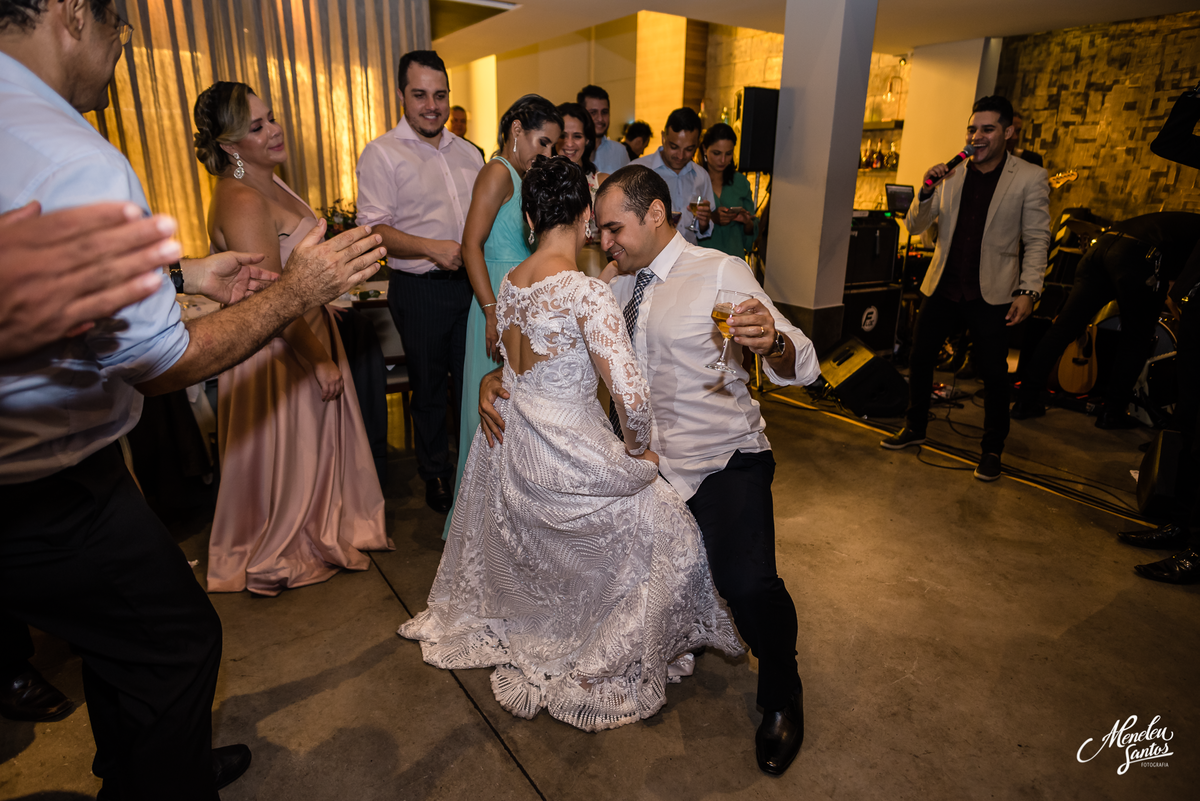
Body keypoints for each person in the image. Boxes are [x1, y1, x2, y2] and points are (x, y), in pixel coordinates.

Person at [0, 1, 384, 796]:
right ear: (74, 14)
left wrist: (182, 276)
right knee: (180, 643)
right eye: (121, 30)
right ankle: (159, 777)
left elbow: (41, 284)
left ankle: (140, 754)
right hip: (47, 486)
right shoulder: (72, 154)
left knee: (120, 644)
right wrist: (298, 292)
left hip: (44, 469)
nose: (120, 53)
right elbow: (158, 357)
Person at [482, 165, 821, 774]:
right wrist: (492, 380)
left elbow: (804, 359)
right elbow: (545, 353)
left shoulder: (719, 271)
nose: (602, 241)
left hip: (720, 461)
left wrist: (772, 340)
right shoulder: (608, 286)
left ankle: (782, 691)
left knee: (746, 585)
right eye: (599, 229)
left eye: (613, 228)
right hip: (641, 469)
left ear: (657, 214)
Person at [400, 155, 741, 731]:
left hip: (514, 447)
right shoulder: (585, 294)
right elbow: (630, 398)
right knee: (676, 538)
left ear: (529, 217)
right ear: (586, 217)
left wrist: (496, 382)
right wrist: (640, 451)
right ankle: (596, 652)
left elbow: (512, 365)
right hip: (567, 447)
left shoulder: (509, 285)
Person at [194, 81, 392, 596]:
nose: (274, 129)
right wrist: (319, 360)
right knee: (290, 460)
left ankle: (326, 522)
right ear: (230, 147)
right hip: (280, 350)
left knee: (316, 456)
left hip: (307, 330)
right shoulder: (241, 198)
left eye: (271, 117)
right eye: (256, 127)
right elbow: (272, 300)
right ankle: (283, 538)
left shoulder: (270, 181)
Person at [881, 95, 1050, 481]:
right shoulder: (952, 173)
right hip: (943, 284)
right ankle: (915, 427)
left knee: (992, 374)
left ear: (1008, 132)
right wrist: (926, 190)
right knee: (920, 360)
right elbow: (915, 226)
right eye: (972, 129)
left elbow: (1038, 239)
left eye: (987, 129)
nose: (977, 136)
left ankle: (992, 450)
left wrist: (1029, 290)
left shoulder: (1028, 177)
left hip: (992, 292)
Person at [356, 50, 485, 513]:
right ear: (401, 96)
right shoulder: (382, 154)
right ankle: (435, 475)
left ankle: (478, 468)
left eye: (440, 94)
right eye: (420, 95)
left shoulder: (471, 153)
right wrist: (432, 247)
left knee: (474, 382)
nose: (432, 105)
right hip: (420, 289)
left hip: (470, 287)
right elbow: (374, 229)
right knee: (429, 389)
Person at [441, 94, 562, 538]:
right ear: (515, 129)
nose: (546, 155)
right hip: (492, 304)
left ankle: (509, 530)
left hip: (517, 308)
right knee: (487, 420)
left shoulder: (525, 179)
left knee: (514, 418)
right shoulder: (497, 172)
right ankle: (476, 531)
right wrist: (491, 311)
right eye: (542, 142)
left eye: (553, 147)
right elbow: (470, 244)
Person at [1116, 82, 1200, 583]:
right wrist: (1193, 96)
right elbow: (1167, 143)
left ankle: (1198, 548)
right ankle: (1181, 525)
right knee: (1188, 430)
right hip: (1196, 314)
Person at [1011, 212, 1200, 428]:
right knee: (1136, 340)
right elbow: (1180, 286)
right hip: (1140, 254)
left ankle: (1025, 400)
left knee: (1063, 328)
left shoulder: (1184, 224)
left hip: (1102, 246)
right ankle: (1112, 412)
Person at [631, 107, 714, 245]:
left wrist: (704, 222)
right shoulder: (637, 170)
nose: (680, 156)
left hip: (688, 258)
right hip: (648, 260)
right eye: (674, 147)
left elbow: (702, 230)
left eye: (689, 149)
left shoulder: (701, 176)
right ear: (664, 137)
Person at [700, 122, 758, 258]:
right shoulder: (695, 180)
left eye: (728, 154)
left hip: (734, 257)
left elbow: (751, 234)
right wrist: (710, 218)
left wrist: (747, 222)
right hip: (701, 258)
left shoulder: (740, 182)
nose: (723, 160)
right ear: (704, 149)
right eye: (716, 153)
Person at [578, 83, 629, 175]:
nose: (600, 118)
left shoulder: (619, 151)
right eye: (593, 113)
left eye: (604, 112)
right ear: (582, 114)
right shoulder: (573, 149)